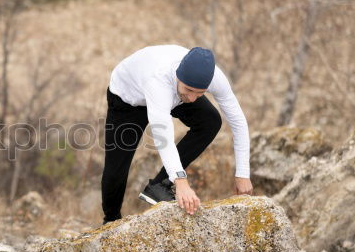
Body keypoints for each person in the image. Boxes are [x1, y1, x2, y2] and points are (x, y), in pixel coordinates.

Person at [100, 45, 252, 225]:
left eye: (200, 93)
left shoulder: (212, 79)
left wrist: (243, 173)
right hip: (127, 99)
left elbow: (238, 121)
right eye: (190, 90)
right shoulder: (158, 79)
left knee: (210, 121)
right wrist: (180, 181)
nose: (194, 98)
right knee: (117, 168)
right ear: (179, 76)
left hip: (174, 93)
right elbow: (162, 135)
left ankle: (159, 186)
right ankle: (111, 221)